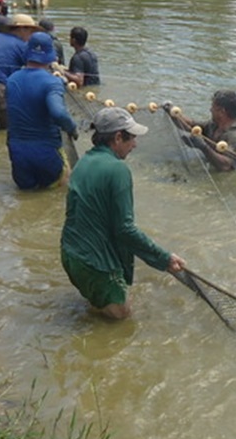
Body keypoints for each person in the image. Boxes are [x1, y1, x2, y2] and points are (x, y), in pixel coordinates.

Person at [61, 106, 185, 320]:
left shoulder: (84, 162)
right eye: (132, 139)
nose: (135, 144)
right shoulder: (118, 170)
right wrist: (164, 258)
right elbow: (124, 229)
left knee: (99, 307)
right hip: (93, 264)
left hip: (70, 254)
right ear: (118, 138)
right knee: (121, 318)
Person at [4, 31, 78, 190]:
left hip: (17, 153)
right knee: (57, 194)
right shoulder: (52, 83)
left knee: (26, 196)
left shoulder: (11, 80)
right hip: (46, 153)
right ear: (51, 57)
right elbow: (58, 113)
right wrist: (72, 128)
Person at [166, 90, 236, 172]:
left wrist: (203, 147)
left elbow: (226, 166)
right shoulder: (213, 125)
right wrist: (173, 113)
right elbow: (190, 125)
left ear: (222, 112)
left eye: (213, 107)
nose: (210, 110)